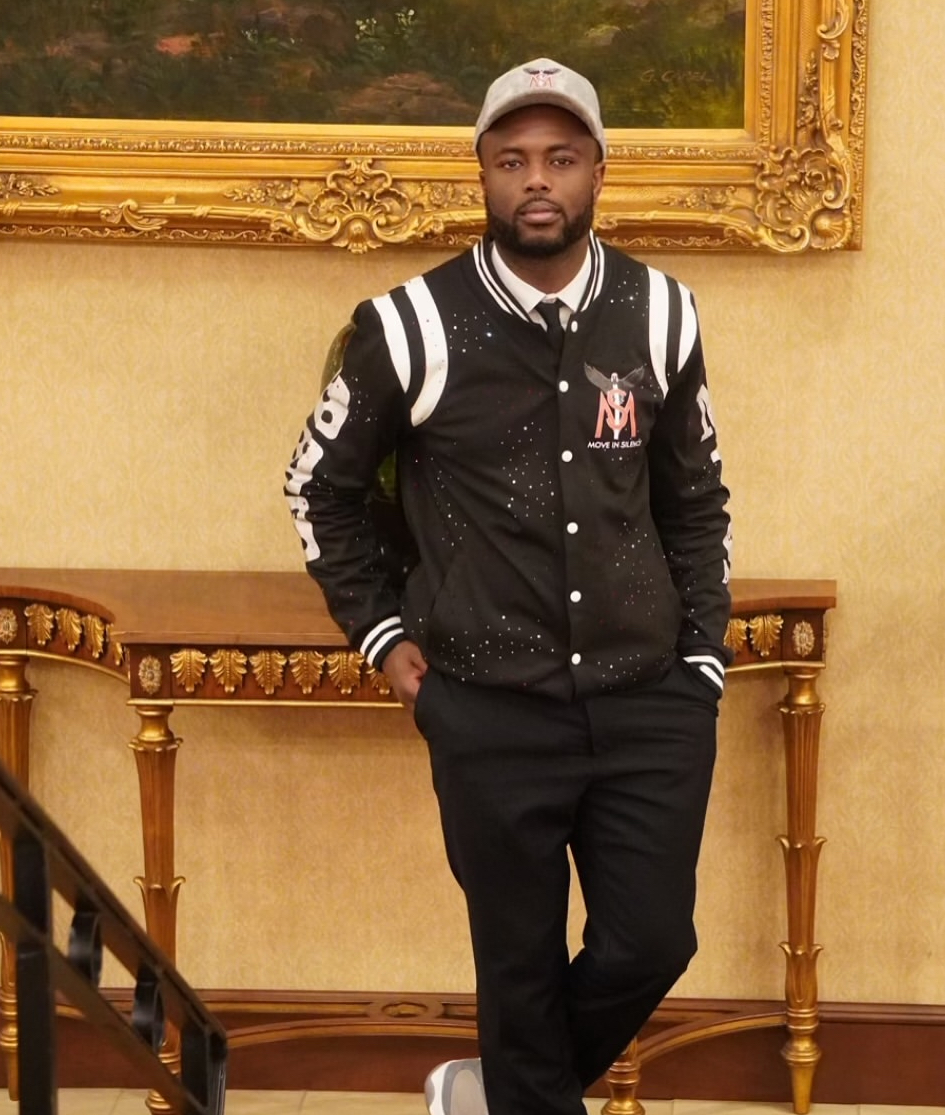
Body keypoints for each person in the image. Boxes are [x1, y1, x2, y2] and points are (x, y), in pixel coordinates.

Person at [285, 57, 733, 1115]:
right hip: (486, 705)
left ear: (597, 173)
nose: (537, 179)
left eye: (561, 158)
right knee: (519, 968)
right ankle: (514, 1089)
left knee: (651, 939)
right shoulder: (409, 325)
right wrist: (385, 637)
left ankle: (492, 1090)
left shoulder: (662, 313)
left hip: (649, 697)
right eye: (513, 159)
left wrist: (702, 655)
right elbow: (318, 489)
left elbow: (695, 496)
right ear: (482, 174)